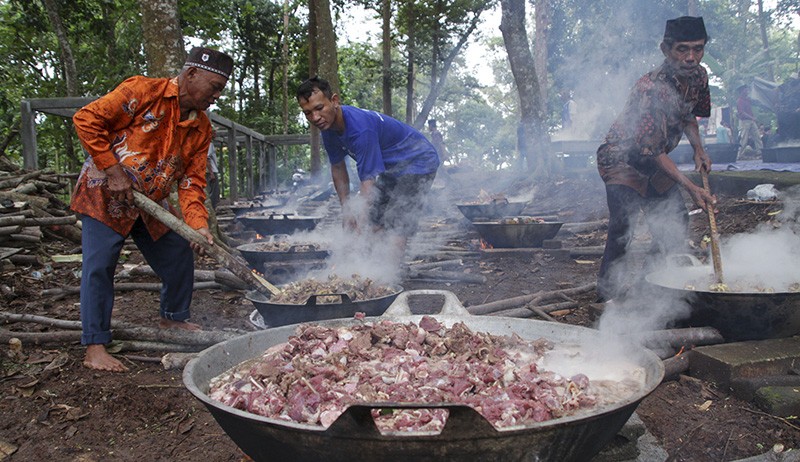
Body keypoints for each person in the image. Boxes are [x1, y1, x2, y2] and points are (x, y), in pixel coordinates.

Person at [71, 46, 234, 372]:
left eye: (221, 90)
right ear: (190, 74)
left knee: (178, 252)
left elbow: (191, 182)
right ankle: (95, 346)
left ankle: (172, 318)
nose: (216, 96)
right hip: (106, 194)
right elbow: (86, 119)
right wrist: (113, 171)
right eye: (214, 87)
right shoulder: (143, 92)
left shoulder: (201, 129)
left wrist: (198, 225)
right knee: (100, 266)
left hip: (150, 203)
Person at [595, 16, 716, 303]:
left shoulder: (699, 76)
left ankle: (648, 288)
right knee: (623, 227)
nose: (690, 57)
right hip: (622, 160)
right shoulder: (651, 89)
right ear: (665, 49)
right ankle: (606, 299)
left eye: (697, 49)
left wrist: (699, 149)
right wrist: (692, 187)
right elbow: (653, 151)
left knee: (675, 221)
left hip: (654, 161)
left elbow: (689, 115)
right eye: (682, 50)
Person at [296, 77, 439, 262]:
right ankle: (367, 266)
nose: (315, 118)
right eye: (308, 113)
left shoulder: (360, 129)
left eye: (319, 108)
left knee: (397, 219)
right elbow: (338, 168)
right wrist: (347, 212)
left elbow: (368, 182)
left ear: (334, 101)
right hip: (392, 167)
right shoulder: (328, 130)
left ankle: (387, 276)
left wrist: (360, 222)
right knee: (373, 219)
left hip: (419, 161)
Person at [736, 84, 763, 159]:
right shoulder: (739, 101)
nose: (747, 90)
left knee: (757, 136)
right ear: (742, 91)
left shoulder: (747, 99)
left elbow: (754, 102)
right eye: (745, 89)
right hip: (745, 121)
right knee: (744, 138)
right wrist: (752, 117)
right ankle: (740, 155)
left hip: (751, 120)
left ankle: (760, 152)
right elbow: (742, 113)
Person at [206, 133, 220, 208]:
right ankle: (211, 210)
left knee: (211, 192)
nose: (216, 134)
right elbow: (207, 159)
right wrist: (211, 173)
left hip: (209, 171)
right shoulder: (209, 144)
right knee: (213, 194)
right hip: (210, 172)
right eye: (214, 132)